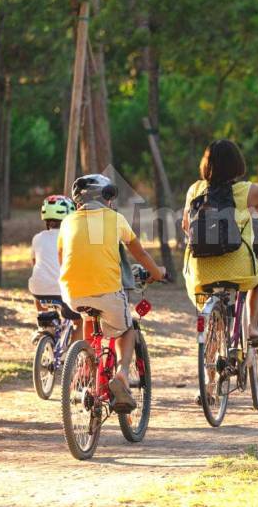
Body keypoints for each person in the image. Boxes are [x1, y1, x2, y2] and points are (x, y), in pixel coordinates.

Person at [58, 174, 165, 413]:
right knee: (126, 329)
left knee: (88, 316)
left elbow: (61, 258)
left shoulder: (67, 222)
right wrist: (157, 273)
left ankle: (87, 364)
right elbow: (140, 255)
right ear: (105, 198)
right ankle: (122, 375)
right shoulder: (116, 219)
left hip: (72, 294)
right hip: (108, 292)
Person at [181, 139, 258, 346]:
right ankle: (253, 328)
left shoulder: (194, 190)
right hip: (238, 266)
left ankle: (213, 343)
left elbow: (186, 227)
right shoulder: (251, 191)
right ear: (237, 164)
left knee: (208, 293)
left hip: (199, 271)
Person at [28, 194, 82, 336]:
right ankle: (68, 355)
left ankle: (42, 324)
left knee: (38, 285)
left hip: (39, 290)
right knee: (79, 322)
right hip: (63, 290)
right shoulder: (73, 237)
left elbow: (35, 264)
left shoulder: (37, 238)